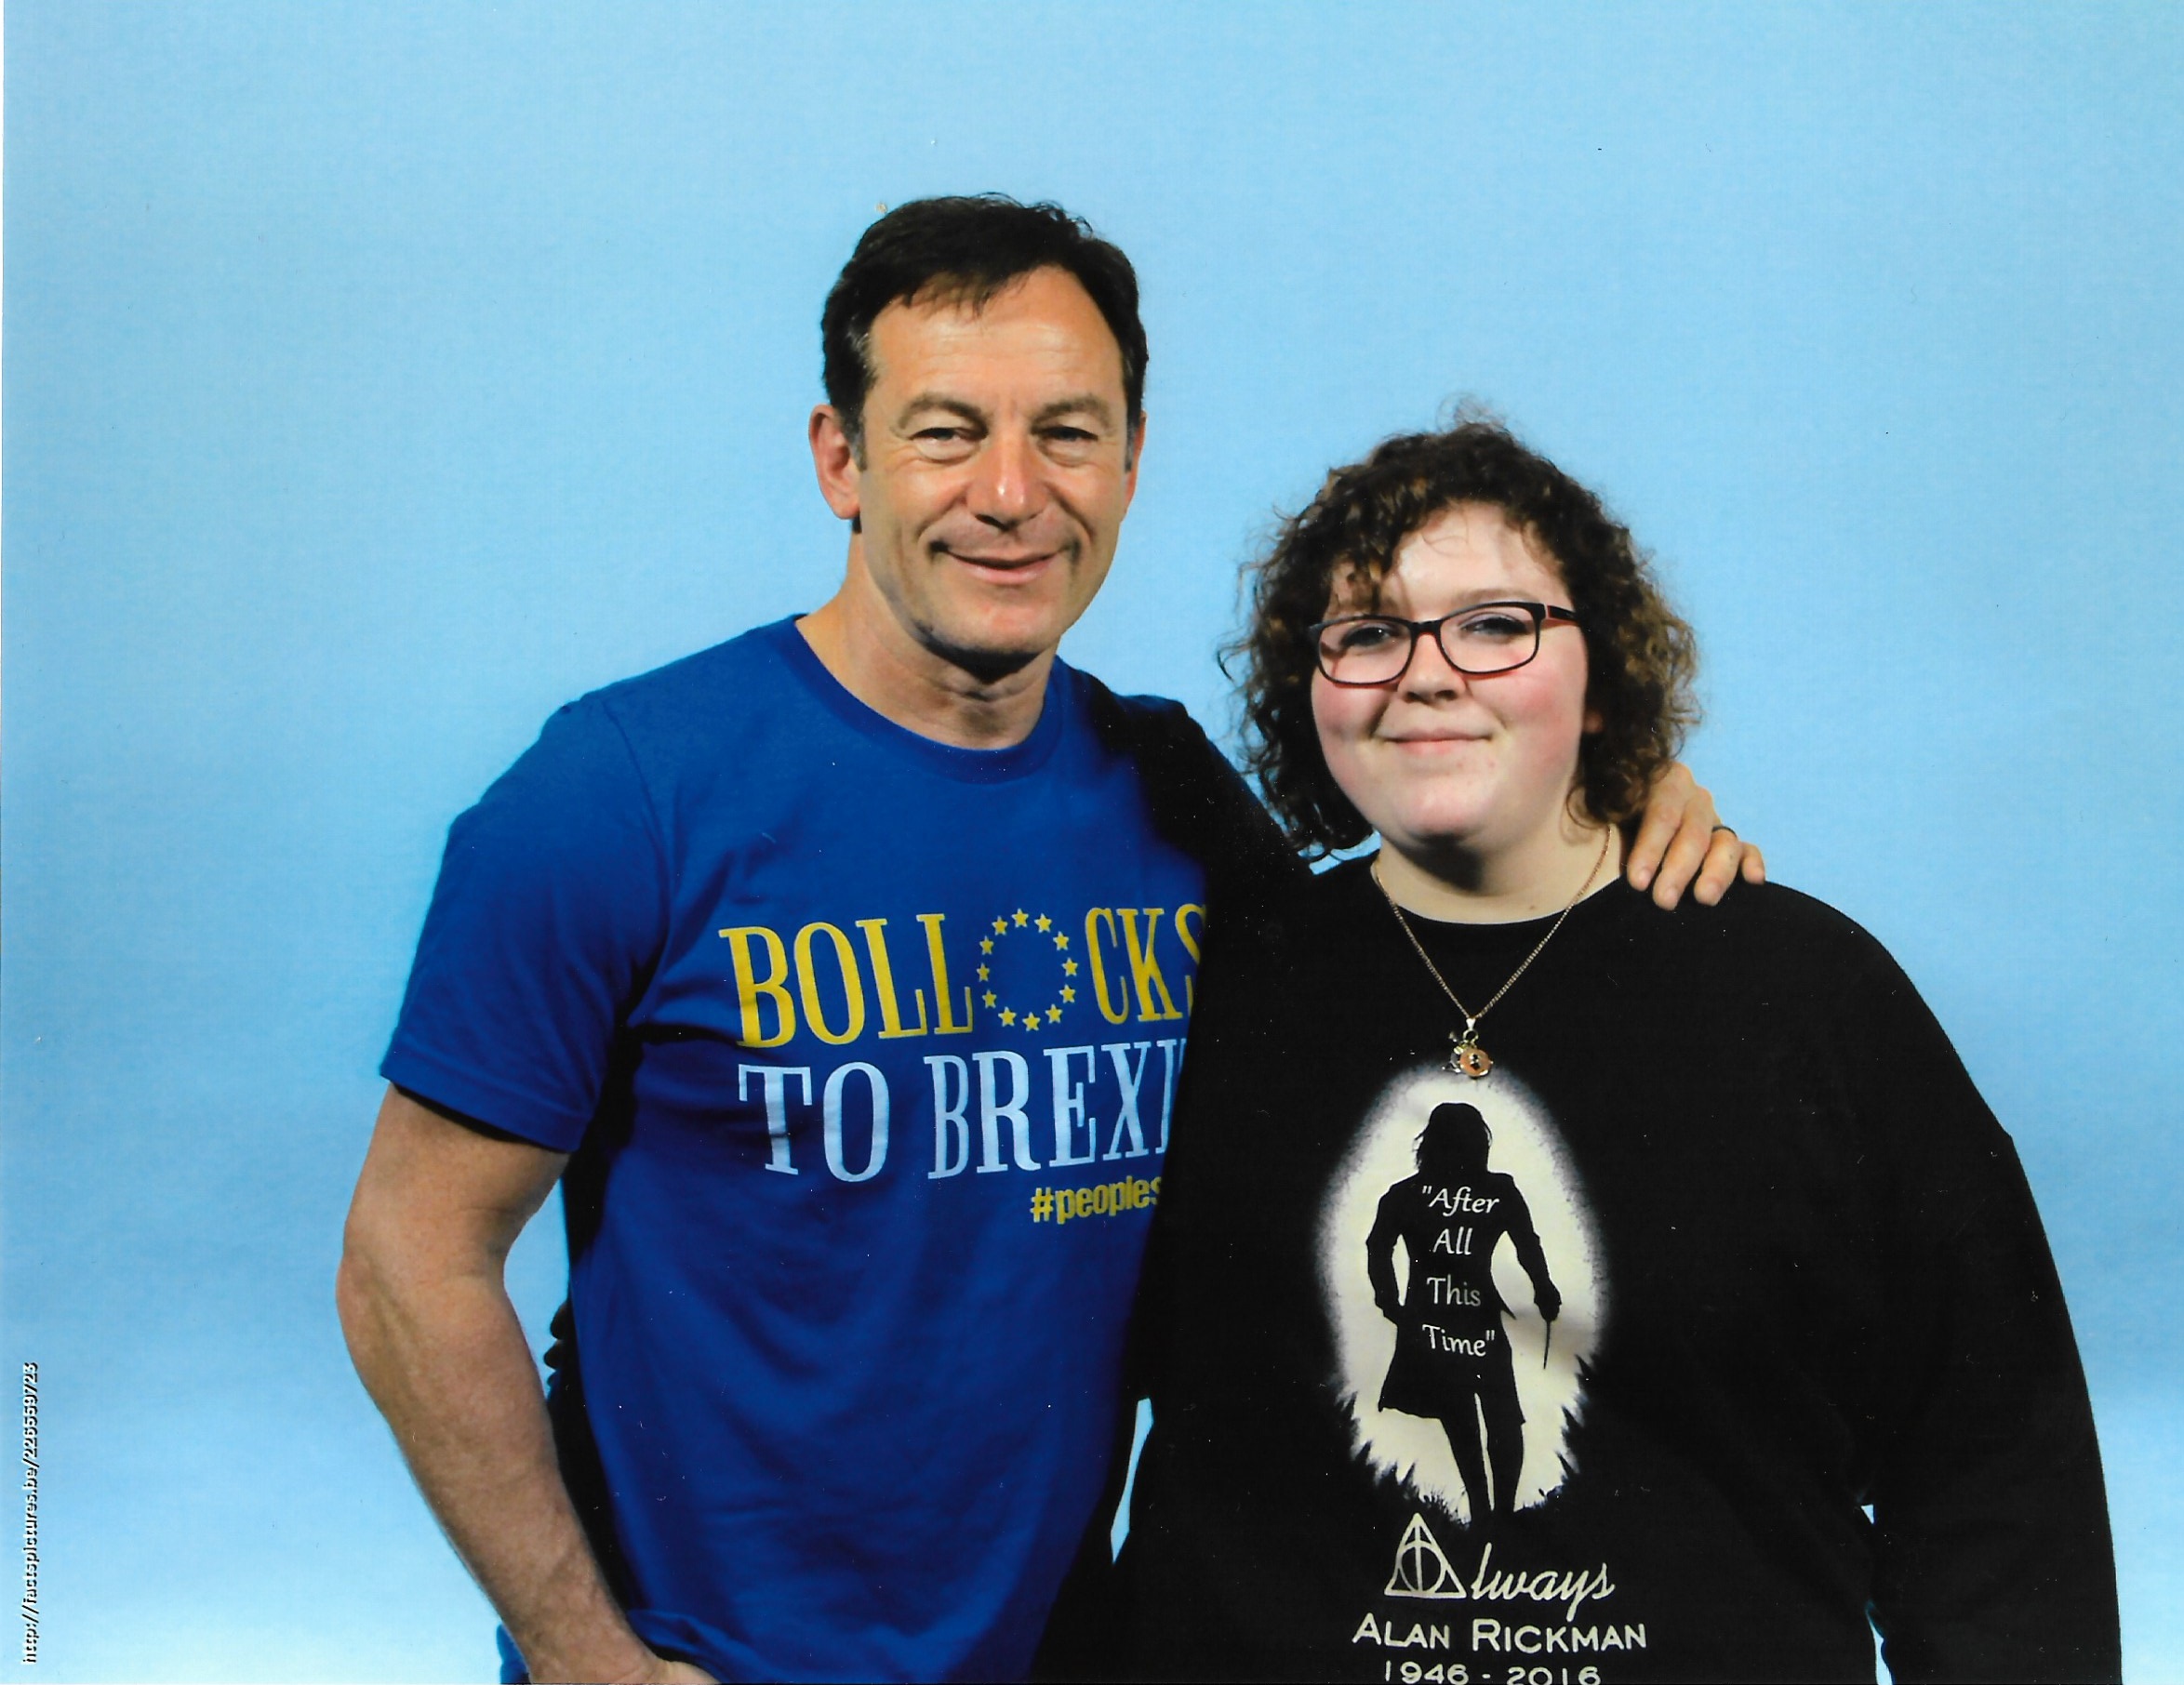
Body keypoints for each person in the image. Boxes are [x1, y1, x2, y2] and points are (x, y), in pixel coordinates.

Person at [335, 198, 1755, 1685]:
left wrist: (1599, 802)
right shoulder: (622, 794)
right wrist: (583, 1660)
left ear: (1131, 461)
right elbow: (408, 1259)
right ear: (841, 459)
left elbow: (1403, 985)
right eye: (946, 434)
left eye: (1067, 435)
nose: (1011, 494)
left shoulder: (1166, 793)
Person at [1099, 418, 2119, 1682]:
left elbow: (2000, 1488)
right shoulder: (1213, 986)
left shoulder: (1809, 999)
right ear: (1306, 680)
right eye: (1367, 633)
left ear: (1601, 680)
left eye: (1495, 626)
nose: (1426, 675)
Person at [1365, 1101, 1560, 1533]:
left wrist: (1390, 1303)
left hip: (1435, 1321)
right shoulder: (1498, 1190)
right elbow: (1527, 1244)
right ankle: (1498, 1515)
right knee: (1498, 1414)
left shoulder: (1405, 1194)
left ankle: (1488, 1513)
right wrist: (1544, 1288)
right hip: (1473, 1321)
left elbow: (1378, 1247)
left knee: (1464, 1416)